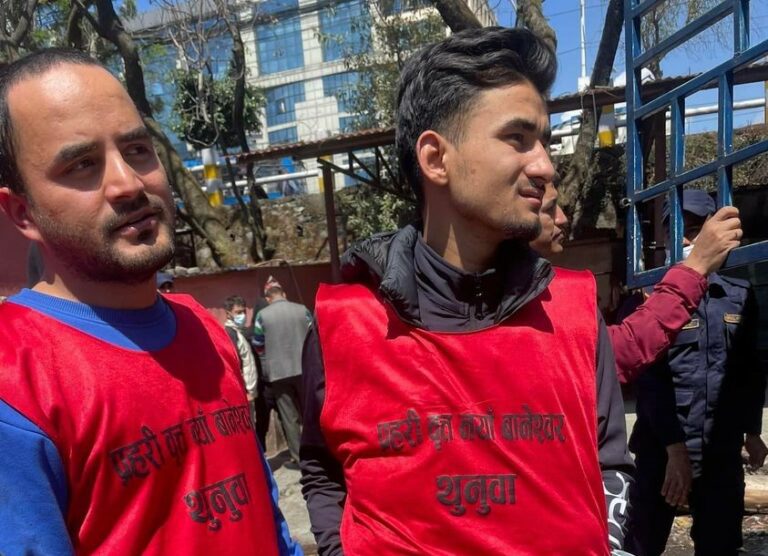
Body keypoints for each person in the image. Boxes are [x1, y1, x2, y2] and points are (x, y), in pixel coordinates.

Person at [300, 27, 634, 555]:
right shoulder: (344, 323)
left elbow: (610, 463)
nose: (545, 166)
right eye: (517, 138)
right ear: (436, 158)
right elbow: (323, 470)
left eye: (544, 141)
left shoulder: (572, 309)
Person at [0, 49, 301, 555]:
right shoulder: (15, 383)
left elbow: (264, 511)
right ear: (21, 212)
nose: (128, 183)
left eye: (138, 150)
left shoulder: (205, 329)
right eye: (82, 165)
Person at [623, 189, 767, 556]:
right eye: (680, 231)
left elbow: (749, 369)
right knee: (640, 544)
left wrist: (752, 431)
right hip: (662, 451)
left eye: (695, 230)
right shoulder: (650, 297)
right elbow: (649, 381)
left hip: (720, 450)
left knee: (720, 545)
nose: (689, 241)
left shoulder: (738, 294)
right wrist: (675, 450)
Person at [530, 178, 744, 383]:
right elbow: (623, 353)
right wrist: (695, 268)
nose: (562, 219)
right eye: (673, 232)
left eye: (694, 230)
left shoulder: (739, 295)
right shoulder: (645, 297)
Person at [252, 278, 312, 467]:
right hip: (305, 369)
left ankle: (298, 457)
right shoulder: (302, 310)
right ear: (284, 294)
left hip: (278, 373)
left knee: (289, 416)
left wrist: (269, 357)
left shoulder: (262, 316)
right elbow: (313, 335)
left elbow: (257, 344)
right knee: (310, 411)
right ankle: (319, 450)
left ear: (268, 299)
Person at [224, 295, 259, 405]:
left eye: (244, 312)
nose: (242, 315)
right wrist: (246, 391)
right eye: (238, 312)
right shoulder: (230, 334)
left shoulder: (240, 332)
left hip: (250, 390)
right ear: (228, 314)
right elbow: (236, 364)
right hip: (244, 393)